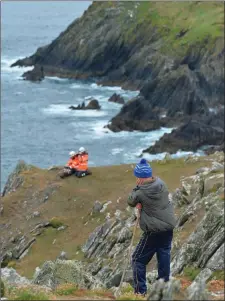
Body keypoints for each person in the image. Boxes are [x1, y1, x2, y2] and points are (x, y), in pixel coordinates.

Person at [127, 158, 176, 296]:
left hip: (153, 231)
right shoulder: (161, 184)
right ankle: (164, 290)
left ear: (140, 178)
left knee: (137, 259)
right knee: (163, 255)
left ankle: (140, 292)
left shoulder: (141, 191)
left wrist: (137, 189)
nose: (136, 179)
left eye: (137, 177)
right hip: (168, 228)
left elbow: (131, 200)